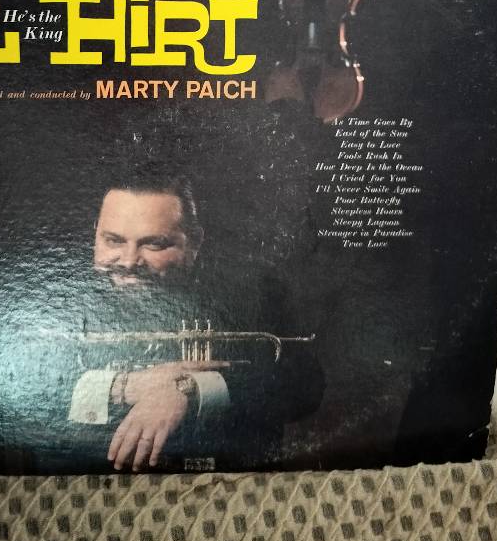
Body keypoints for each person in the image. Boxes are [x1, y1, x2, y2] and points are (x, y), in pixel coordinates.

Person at [64, 171, 324, 473]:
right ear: (95, 234)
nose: (129, 261)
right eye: (113, 240)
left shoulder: (255, 294)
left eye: (154, 244)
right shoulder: (59, 299)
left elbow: (305, 386)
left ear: (194, 243)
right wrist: (128, 386)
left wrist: (190, 388)